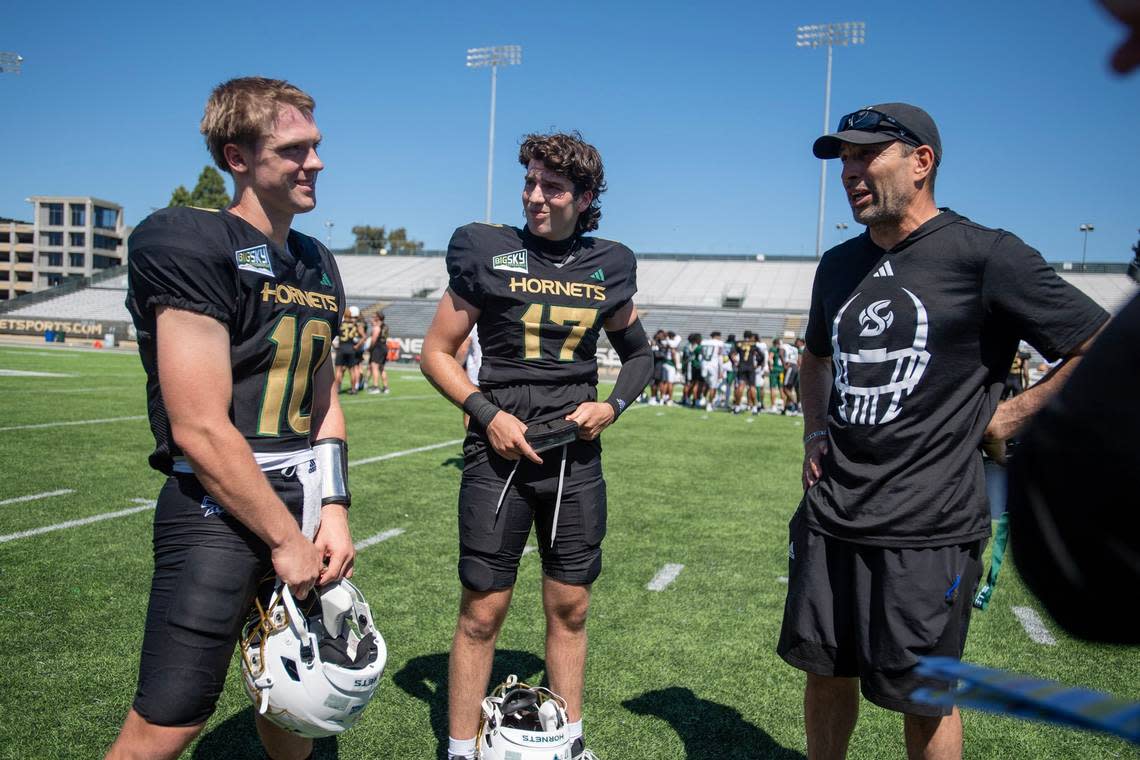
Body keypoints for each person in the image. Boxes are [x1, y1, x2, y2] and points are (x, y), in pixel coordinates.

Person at [777, 102, 1107, 760]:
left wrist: (1010, 414)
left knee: (924, 697)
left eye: (866, 154)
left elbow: (1100, 342)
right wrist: (815, 432)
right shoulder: (837, 266)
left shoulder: (986, 255)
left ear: (922, 161)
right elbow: (815, 357)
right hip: (831, 511)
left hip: (928, 526)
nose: (849, 170)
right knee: (824, 669)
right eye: (843, 158)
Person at [108, 77, 355, 760]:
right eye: (295, 148)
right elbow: (200, 427)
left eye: (318, 145)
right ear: (236, 156)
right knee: (171, 717)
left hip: (302, 499)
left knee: (299, 698)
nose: (316, 162)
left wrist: (332, 509)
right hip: (219, 505)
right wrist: (284, 539)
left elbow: (323, 399)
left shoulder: (315, 260)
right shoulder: (191, 240)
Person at [419, 131, 652, 760]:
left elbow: (640, 356)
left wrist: (612, 405)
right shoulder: (486, 249)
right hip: (497, 454)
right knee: (482, 610)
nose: (535, 197)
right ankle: (461, 748)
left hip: (574, 457)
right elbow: (436, 354)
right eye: (529, 182)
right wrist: (484, 411)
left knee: (570, 606)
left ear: (585, 196)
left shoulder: (610, 262)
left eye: (551, 187)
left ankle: (569, 742)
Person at [335, 305, 364, 393]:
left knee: (338, 370)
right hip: (351, 348)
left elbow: (332, 337)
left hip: (341, 348)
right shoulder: (355, 324)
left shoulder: (340, 324)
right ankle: (354, 389)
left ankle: (337, 389)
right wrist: (357, 346)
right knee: (352, 371)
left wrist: (334, 346)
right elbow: (363, 337)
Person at [368, 311, 391, 394]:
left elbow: (374, 339)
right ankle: (385, 387)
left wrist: (370, 348)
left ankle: (375, 387)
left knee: (374, 367)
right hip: (384, 347)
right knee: (382, 368)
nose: (373, 317)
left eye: (374, 316)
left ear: (378, 317)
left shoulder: (377, 327)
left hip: (378, 348)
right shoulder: (385, 326)